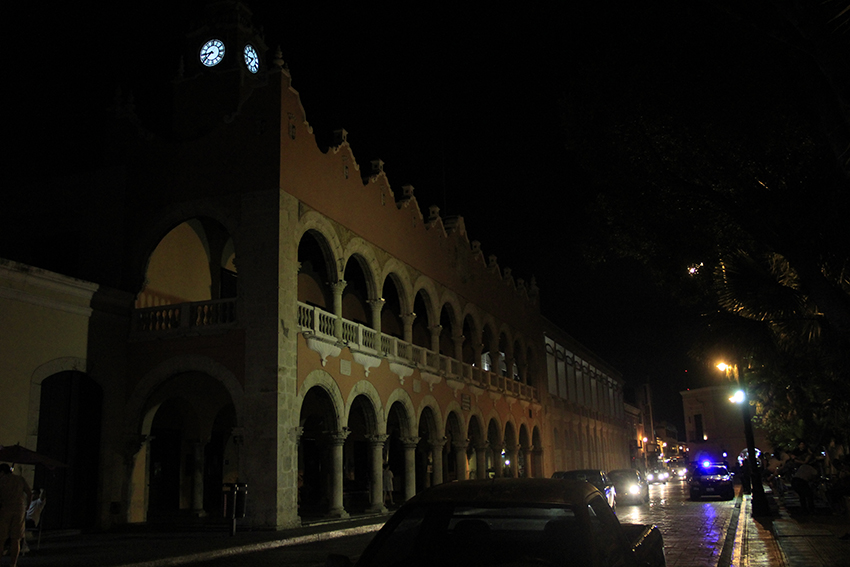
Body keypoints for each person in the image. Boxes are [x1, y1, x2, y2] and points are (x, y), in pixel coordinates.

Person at [0, 463, 32, 567]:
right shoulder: (20, 479)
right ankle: (13, 564)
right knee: (16, 539)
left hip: (5, 510)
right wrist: (27, 505)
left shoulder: (2, 481)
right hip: (19, 510)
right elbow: (29, 492)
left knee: (1, 538)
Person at [20, 488, 46, 555]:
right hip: (26, 519)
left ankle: (24, 546)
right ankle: (22, 544)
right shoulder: (29, 502)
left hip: (32, 522)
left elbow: (42, 498)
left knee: (20, 524)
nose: (32, 495)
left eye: (34, 493)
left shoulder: (38, 503)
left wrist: (42, 491)